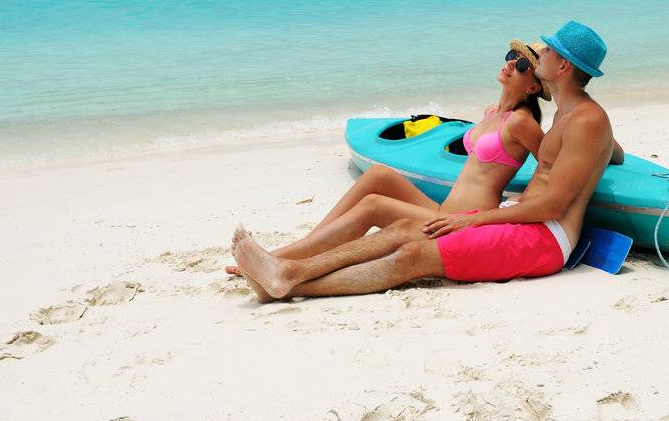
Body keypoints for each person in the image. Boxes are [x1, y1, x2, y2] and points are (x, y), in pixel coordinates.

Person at [231, 20, 614, 301]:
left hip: (545, 240)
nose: (540, 52)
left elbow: (553, 204)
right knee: (401, 230)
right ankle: (287, 272)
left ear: (563, 66)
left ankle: (289, 281)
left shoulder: (585, 119)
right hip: (519, 222)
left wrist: (481, 216)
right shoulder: (577, 116)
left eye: (547, 50)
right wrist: (608, 150)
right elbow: (605, 151)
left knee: (413, 255)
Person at [224, 40, 549, 275]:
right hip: (442, 209)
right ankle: (308, 243)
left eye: (521, 65)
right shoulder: (492, 113)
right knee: (379, 175)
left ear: (534, 87)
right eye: (511, 56)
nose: (510, 64)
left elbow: (550, 165)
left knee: (374, 205)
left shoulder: (522, 122)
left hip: (464, 220)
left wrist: (521, 203)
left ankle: (281, 258)